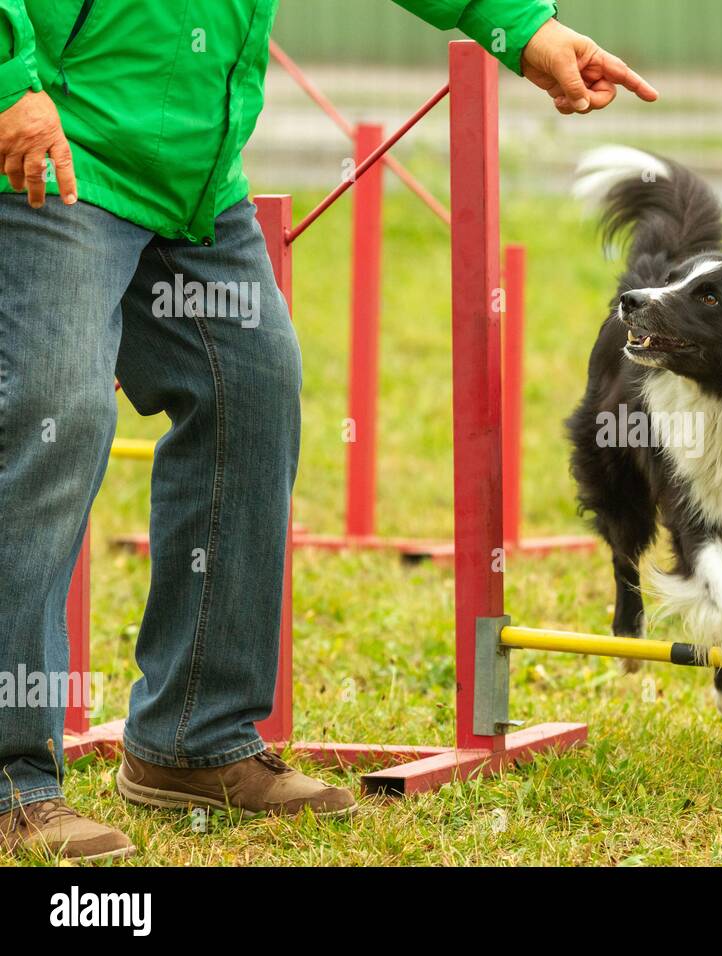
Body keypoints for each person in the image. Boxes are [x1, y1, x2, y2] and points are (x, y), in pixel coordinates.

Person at [0, 0, 656, 862]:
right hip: (55, 150)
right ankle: (14, 778)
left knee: (253, 393)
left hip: (192, 178)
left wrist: (519, 27)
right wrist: (12, 77)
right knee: (56, 423)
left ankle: (193, 742)